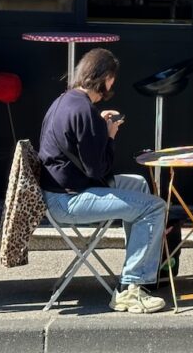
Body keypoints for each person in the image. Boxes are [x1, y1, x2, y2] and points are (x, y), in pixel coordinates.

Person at [38, 47, 167, 313]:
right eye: (112, 79)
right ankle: (131, 290)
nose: (112, 85)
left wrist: (98, 124)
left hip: (60, 191)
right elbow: (97, 169)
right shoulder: (84, 111)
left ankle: (138, 275)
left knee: (138, 184)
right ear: (106, 78)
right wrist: (109, 135)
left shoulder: (66, 101)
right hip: (70, 200)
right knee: (154, 206)